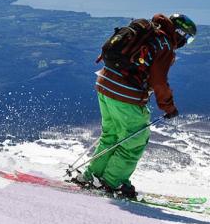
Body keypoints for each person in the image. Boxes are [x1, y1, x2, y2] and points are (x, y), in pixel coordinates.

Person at [75, 13, 197, 198]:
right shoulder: (164, 44)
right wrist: (169, 107)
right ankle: (111, 183)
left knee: (112, 135)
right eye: (187, 39)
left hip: (104, 82)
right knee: (134, 141)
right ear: (180, 33)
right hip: (125, 93)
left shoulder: (148, 31)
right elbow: (159, 81)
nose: (184, 43)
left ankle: (92, 176)